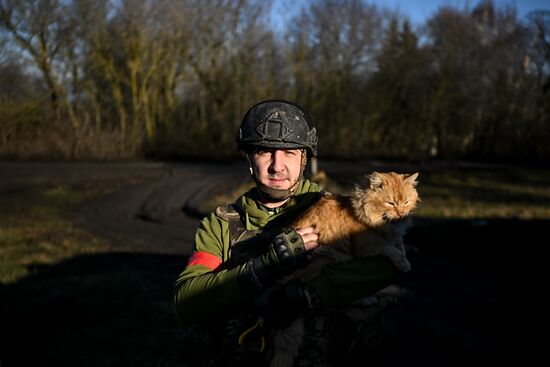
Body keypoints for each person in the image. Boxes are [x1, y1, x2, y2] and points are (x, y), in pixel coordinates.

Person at [173, 100, 399, 366]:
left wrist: (304, 295)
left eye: (289, 153)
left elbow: (386, 264)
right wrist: (261, 269)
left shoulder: (337, 211)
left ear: (304, 158)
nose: (277, 166)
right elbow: (186, 301)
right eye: (264, 152)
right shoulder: (220, 225)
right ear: (248, 157)